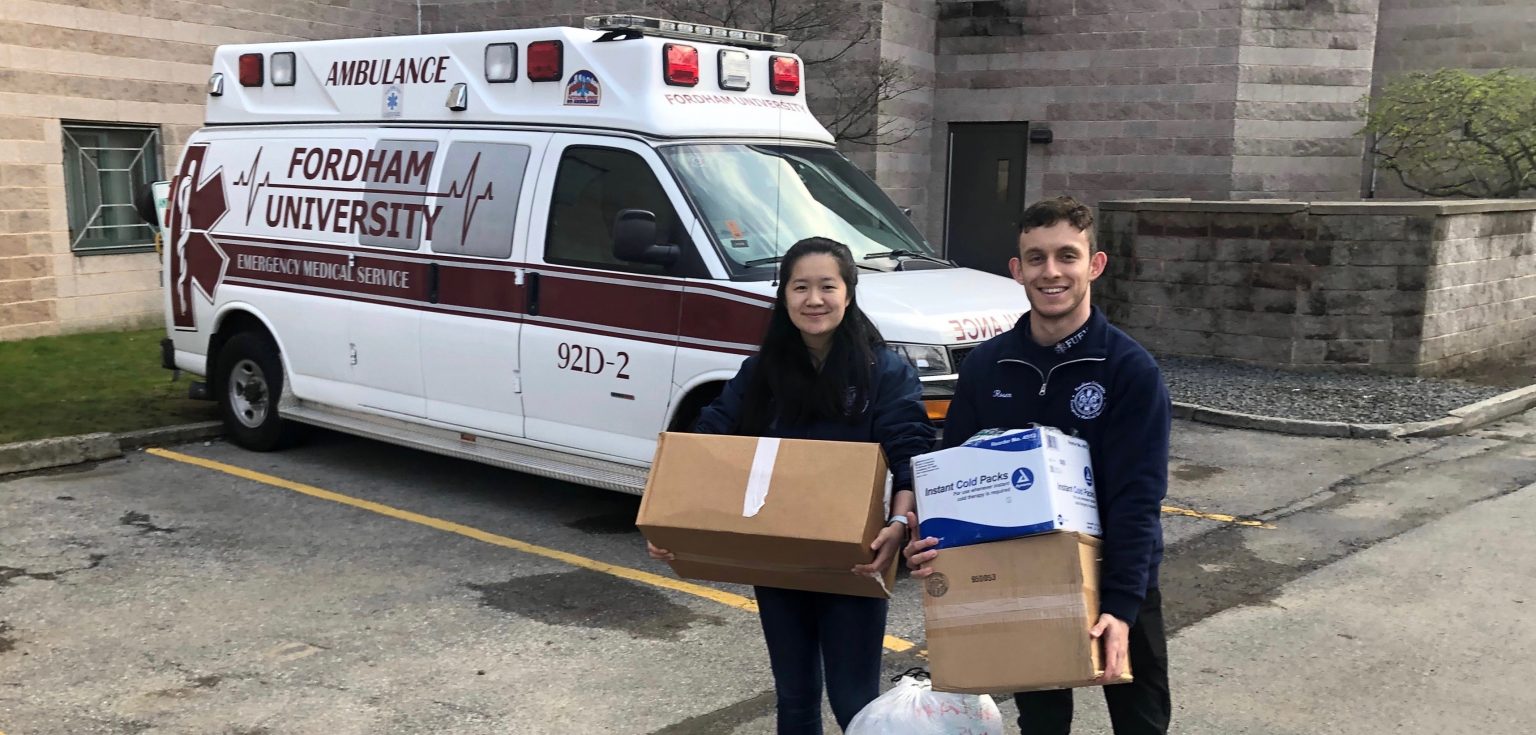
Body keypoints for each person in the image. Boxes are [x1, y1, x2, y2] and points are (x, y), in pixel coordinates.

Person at [903, 196, 1172, 735]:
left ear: (1094, 265)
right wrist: (934, 546)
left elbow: (1136, 499)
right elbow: (953, 478)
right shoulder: (987, 366)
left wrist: (1119, 607)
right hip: (1020, 571)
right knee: (1042, 724)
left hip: (1120, 571)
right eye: (1036, 258)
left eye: (1067, 256)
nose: (1051, 272)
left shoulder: (1128, 370)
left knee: (1141, 722)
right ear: (1017, 270)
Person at [647, 237, 936, 734]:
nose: (814, 299)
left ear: (849, 292)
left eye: (827, 286)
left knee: (855, 703)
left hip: (856, 556)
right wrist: (673, 515)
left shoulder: (883, 371)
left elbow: (910, 454)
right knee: (796, 699)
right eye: (800, 287)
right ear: (784, 296)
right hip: (777, 557)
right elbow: (709, 436)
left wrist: (898, 523)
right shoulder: (762, 372)